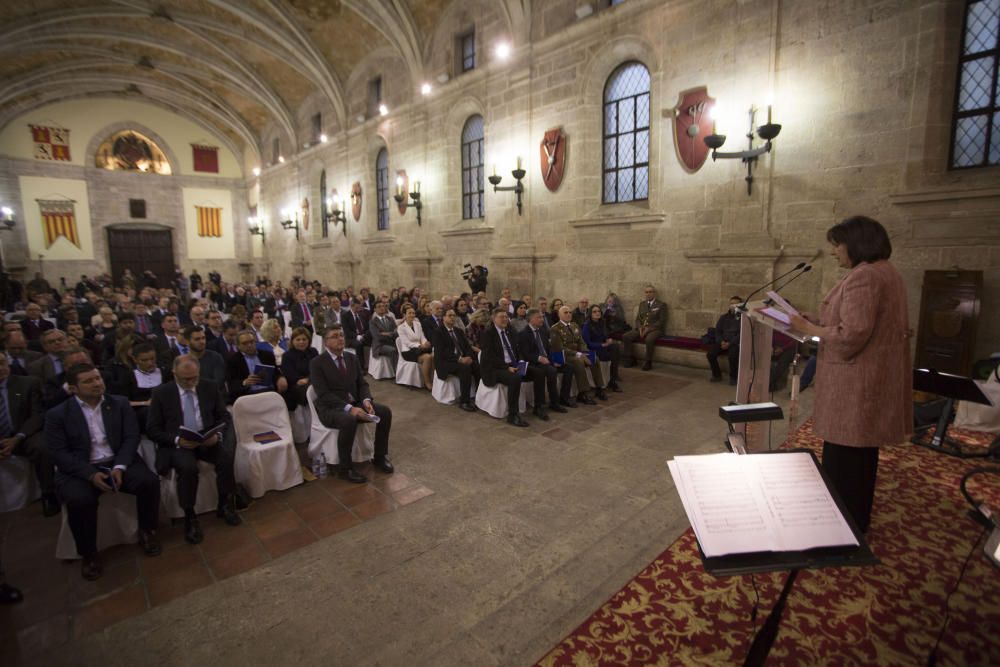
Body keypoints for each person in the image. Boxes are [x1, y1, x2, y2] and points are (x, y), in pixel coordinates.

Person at [789, 216, 912, 533]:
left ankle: (842, 527)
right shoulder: (886, 272)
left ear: (855, 244)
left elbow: (850, 337)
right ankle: (855, 519)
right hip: (870, 381)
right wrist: (817, 320)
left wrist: (808, 329)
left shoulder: (864, 277)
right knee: (860, 458)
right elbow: (864, 324)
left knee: (845, 459)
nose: (834, 252)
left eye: (837, 245)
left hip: (855, 387)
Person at [45, 363, 162, 580]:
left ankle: (148, 531)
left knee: (149, 482)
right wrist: (89, 474)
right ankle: (89, 553)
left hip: (118, 461)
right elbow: (59, 453)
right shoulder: (58, 414)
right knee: (79, 500)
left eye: (97, 378)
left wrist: (119, 466)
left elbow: (130, 437)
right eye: (88, 381)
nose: (96, 384)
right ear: (73, 388)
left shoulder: (118, 404)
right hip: (80, 469)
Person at [146, 355, 241, 545]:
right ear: (174, 374)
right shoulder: (161, 393)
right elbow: (152, 429)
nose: (190, 382)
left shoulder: (209, 387)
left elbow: (223, 416)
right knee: (188, 468)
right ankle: (190, 516)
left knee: (225, 458)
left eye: (194, 378)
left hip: (206, 438)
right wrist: (177, 440)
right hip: (179, 443)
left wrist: (217, 435)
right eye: (185, 379)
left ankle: (225, 503)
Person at [309, 325, 394, 484]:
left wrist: (366, 400)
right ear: (326, 342)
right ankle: (345, 468)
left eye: (341, 335)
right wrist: (350, 408)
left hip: (354, 403)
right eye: (335, 336)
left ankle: (380, 456)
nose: (340, 338)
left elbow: (362, 384)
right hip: (331, 408)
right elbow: (323, 394)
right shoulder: (317, 363)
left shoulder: (351, 358)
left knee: (385, 412)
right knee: (348, 420)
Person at [0, 354, 57, 516]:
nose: (0, 368)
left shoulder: (27, 383)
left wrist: (17, 438)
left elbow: (37, 415)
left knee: (42, 447)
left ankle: (49, 494)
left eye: (2, 363)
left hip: (24, 434)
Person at [480, 309, 543, 427]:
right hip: (495, 368)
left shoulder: (510, 330)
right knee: (515, 378)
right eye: (501, 317)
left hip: (513, 364)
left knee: (538, 373)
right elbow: (489, 357)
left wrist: (521, 362)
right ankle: (513, 415)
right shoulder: (487, 333)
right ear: (494, 319)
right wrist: (506, 367)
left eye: (506, 317)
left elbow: (517, 349)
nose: (505, 319)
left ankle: (538, 407)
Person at [516, 308, 573, 412]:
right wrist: (539, 358)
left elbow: (548, 349)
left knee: (568, 367)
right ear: (531, 319)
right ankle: (544, 405)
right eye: (539, 317)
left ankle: (564, 398)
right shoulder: (523, 334)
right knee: (550, 371)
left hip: (547, 361)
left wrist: (553, 360)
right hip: (534, 363)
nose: (542, 319)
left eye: (542, 317)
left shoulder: (542, 331)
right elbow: (525, 353)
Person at [550, 305, 607, 404]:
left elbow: (582, 342)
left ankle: (599, 388)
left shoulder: (574, 325)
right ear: (559, 315)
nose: (569, 314)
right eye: (565, 313)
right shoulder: (555, 328)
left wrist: (585, 352)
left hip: (579, 353)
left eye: (570, 312)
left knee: (594, 358)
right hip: (565, 355)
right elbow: (559, 348)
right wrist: (578, 354)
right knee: (579, 362)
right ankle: (583, 393)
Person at [432, 309, 479, 411]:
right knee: (465, 369)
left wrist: (469, 357)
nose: (452, 318)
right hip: (446, 362)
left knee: (477, 366)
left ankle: (479, 397)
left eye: (454, 315)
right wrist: (460, 359)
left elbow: (467, 347)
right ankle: (464, 401)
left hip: (462, 359)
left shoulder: (458, 331)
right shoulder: (438, 332)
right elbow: (442, 352)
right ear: (443, 318)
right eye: (449, 315)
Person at [226, 330, 287, 404]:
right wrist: (244, 383)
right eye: (245, 343)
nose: (249, 345)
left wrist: (280, 378)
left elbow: (276, 373)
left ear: (256, 342)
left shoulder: (267, 355)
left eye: (252, 342)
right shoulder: (233, 360)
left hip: (269, 391)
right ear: (238, 346)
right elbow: (231, 384)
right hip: (248, 395)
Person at [621, 285, 666, 371]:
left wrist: (648, 329)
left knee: (649, 339)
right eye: (646, 292)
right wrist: (640, 327)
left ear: (654, 293)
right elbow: (638, 318)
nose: (648, 294)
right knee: (626, 336)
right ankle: (630, 358)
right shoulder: (642, 304)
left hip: (655, 330)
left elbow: (661, 321)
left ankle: (648, 362)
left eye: (650, 292)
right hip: (642, 328)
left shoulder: (661, 305)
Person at [581, 305, 622, 392]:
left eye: (599, 311)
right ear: (590, 314)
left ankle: (613, 379)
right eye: (594, 312)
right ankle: (604, 382)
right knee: (606, 353)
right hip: (593, 348)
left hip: (602, 345)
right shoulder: (586, 325)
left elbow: (604, 336)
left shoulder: (602, 323)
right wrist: (602, 345)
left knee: (616, 347)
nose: (597, 313)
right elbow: (588, 343)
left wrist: (608, 340)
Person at [707, 296, 742, 385]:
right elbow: (718, 331)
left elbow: (741, 334)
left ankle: (733, 377)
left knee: (733, 356)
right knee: (710, 354)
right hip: (722, 341)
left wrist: (730, 343)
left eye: (736, 304)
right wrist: (721, 341)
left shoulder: (743, 319)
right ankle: (717, 375)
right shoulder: (723, 317)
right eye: (731, 303)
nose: (733, 305)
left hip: (734, 343)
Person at [280, 327, 317, 411]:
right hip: (296, 385)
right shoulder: (287, 356)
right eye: (298, 339)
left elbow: (318, 368)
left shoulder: (313, 352)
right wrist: (301, 380)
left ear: (309, 340)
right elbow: (289, 374)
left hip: (313, 380)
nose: (301, 342)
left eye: (304, 339)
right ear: (292, 341)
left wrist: (309, 379)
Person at [397, 306, 433, 389]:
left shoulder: (417, 324)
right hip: (408, 351)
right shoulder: (401, 327)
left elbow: (422, 336)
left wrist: (425, 342)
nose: (412, 315)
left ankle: (433, 379)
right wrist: (420, 345)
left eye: (413, 313)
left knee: (433, 355)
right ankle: (427, 382)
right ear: (404, 315)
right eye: (409, 313)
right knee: (427, 357)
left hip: (419, 348)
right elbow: (407, 342)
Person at [369, 300, 399, 369]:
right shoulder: (373, 322)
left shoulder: (390, 319)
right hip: (380, 345)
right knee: (393, 351)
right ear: (375, 309)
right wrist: (391, 334)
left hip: (391, 342)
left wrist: (386, 333)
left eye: (383, 306)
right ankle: (398, 375)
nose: (382, 308)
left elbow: (396, 332)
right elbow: (377, 336)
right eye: (379, 307)